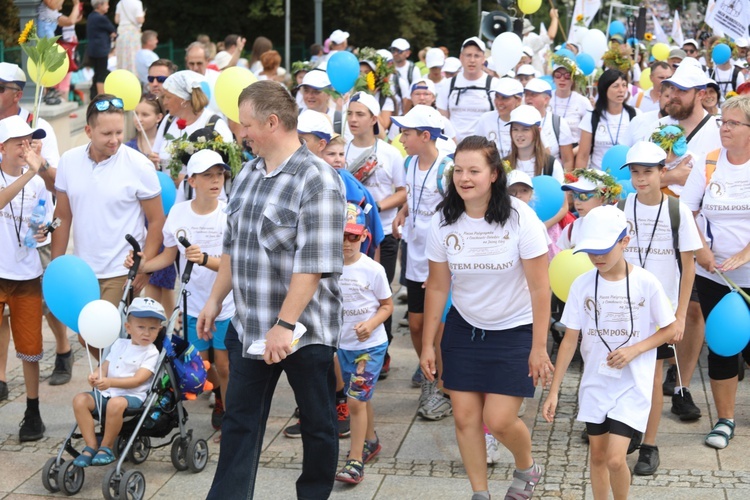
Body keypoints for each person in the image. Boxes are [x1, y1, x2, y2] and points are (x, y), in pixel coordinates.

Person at [198, 81, 346, 499]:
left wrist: (284, 325)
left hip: (303, 332)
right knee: (239, 422)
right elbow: (233, 246)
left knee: (318, 426)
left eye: (246, 125)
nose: (240, 133)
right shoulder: (245, 173)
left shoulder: (318, 178)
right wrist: (214, 299)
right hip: (248, 326)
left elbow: (313, 264)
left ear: (272, 122)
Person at [421, 136, 552, 500]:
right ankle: (480, 493)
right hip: (465, 329)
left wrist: (539, 348)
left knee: (498, 419)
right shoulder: (443, 221)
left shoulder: (519, 218)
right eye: (458, 170)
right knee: (464, 417)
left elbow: (541, 289)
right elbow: (436, 287)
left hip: (515, 329)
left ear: (494, 174)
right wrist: (429, 344)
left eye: (474, 170)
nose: (465, 178)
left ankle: (526, 466)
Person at [543, 205, 677, 500]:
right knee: (598, 457)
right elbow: (569, 341)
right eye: (591, 251)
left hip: (632, 383)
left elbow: (670, 329)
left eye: (604, 249)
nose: (598, 257)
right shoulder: (581, 285)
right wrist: (553, 392)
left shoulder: (646, 282)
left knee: (617, 458)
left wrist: (634, 350)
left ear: (624, 241)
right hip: (595, 383)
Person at [125, 149, 235, 434]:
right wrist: (142, 265)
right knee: (200, 361)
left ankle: (228, 408)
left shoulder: (229, 213)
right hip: (192, 302)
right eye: (208, 175)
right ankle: (219, 396)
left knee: (223, 363)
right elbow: (168, 256)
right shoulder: (178, 212)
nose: (215, 181)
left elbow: (233, 265)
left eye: (219, 174)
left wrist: (206, 260)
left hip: (225, 302)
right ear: (192, 180)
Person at [617, 141, 702, 476]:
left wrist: (680, 315)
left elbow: (689, 266)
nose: (640, 179)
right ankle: (626, 429)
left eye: (647, 172)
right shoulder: (622, 206)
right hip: (624, 307)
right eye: (635, 172)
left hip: (660, 312)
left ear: (662, 172)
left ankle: (649, 445)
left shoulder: (676, 210)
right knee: (623, 374)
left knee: (652, 378)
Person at [51, 95, 164, 317]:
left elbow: (157, 220)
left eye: (119, 132)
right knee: (86, 336)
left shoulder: (140, 165)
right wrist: (56, 267)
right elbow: (62, 217)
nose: (114, 140)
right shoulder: (68, 161)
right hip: (81, 272)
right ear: (88, 131)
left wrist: (144, 266)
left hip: (121, 272)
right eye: (106, 134)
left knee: (107, 338)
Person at [680, 95, 750, 450]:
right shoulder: (709, 164)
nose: (724, 128)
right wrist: (702, 251)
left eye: (733, 123)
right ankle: (725, 420)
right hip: (715, 277)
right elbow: (686, 211)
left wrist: (745, 253)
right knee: (723, 348)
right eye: (723, 121)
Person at [0, 63, 72, 387]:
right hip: (5, 226)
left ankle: (63, 347)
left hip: (35, 223)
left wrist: (36, 163)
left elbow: (57, 182)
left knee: (47, 300)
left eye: (0, 87)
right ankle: (1, 377)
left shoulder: (38, 123)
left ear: (16, 93)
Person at [391, 105, 453, 420]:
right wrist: (403, 212)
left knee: (437, 326)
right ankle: (430, 371)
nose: (401, 138)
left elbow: (456, 213)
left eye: (406, 133)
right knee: (415, 324)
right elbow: (411, 196)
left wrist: (442, 266)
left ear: (425, 136)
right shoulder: (408, 162)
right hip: (414, 256)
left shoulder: (447, 168)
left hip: (440, 262)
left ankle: (441, 387)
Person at [0, 116, 53, 440]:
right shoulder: (26, 177)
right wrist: (32, 172)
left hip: (26, 274)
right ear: (2, 147)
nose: (25, 148)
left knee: (31, 347)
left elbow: (37, 230)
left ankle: (32, 411)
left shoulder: (37, 184)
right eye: (18, 142)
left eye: (28, 142)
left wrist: (42, 233)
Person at [345, 91, 406, 371]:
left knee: (381, 291)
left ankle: (383, 349)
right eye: (350, 114)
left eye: (360, 114)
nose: (353, 119)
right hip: (347, 235)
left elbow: (403, 192)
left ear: (373, 119)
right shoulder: (341, 150)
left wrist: (372, 207)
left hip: (381, 232)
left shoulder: (390, 153)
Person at [334, 203, 393, 485]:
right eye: (341, 235)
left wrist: (370, 324)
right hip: (343, 346)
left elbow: (387, 305)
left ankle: (354, 460)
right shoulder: (328, 269)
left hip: (371, 347)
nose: (347, 243)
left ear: (364, 237)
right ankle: (370, 440)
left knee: (355, 401)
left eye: (353, 236)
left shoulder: (373, 269)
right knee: (361, 397)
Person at [70, 297, 162, 467]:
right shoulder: (119, 344)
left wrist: (110, 382)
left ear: (159, 330)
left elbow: (138, 380)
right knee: (80, 400)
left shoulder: (151, 352)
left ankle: (107, 447)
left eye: (153, 328)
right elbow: (104, 367)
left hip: (132, 397)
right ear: (128, 327)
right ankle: (91, 445)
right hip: (107, 393)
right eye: (141, 327)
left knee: (115, 404)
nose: (147, 333)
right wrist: (97, 375)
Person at [154, 70, 233, 185]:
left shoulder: (213, 123)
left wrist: (185, 181)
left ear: (183, 99)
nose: (164, 102)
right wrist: (153, 161)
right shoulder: (168, 121)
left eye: (167, 97)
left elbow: (226, 169)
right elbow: (156, 153)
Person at [437, 37, 499, 141]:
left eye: (477, 56)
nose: (472, 60)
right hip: (454, 148)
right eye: (468, 55)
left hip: (484, 148)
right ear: (461, 57)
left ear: (483, 59)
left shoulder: (494, 84)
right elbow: (443, 120)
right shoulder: (448, 85)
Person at [576, 69, 638, 170]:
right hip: (598, 177)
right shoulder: (592, 117)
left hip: (628, 177)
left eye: (624, 85)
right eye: (616, 86)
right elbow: (583, 156)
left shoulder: (635, 115)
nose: (621, 90)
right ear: (604, 89)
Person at [556, 168, 620, 251]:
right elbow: (561, 260)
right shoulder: (570, 230)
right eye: (574, 195)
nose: (577, 202)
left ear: (602, 198)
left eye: (583, 196)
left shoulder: (618, 227)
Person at [523, 78, 575, 172]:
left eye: (533, 94)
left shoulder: (558, 123)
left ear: (546, 99)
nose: (528, 98)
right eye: (526, 94)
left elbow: (567, 160)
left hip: (550, 177)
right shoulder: (517, 120)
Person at [475, 77, 523, 159]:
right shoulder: (485, 119)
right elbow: (476, 149)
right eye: (497, 97)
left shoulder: (529, 119)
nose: (499, 102)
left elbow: (544, 152)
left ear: (518, 100)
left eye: (505, 98)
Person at [550, 59, 593, 148]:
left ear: (573, 79)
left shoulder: (583, 101)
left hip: (574, 150)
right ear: (553, 78)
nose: (562, 79)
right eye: (558, 75)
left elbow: (590, 133)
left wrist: (574, 153)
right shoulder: (546, 98)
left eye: (567, 76)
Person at [86, 0, 116, 100]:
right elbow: (113, 31)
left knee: (97, 73)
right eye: (106, 4)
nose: (108, 6)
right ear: (99, 5)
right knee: (102, 74)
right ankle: (101, 97)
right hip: (101, 50)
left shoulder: (91, 16)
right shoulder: (101, 18)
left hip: (92, 49)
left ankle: (93, 95)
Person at [114, 0, 145, 75]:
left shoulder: (120, 3)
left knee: (122, 57)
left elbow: (116, 20)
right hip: (132, 32)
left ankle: (122, 76)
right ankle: (134, 76)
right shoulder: (137, 3)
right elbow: (139, 19)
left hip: (121, 32)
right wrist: (143, 15)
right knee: (133, 56)